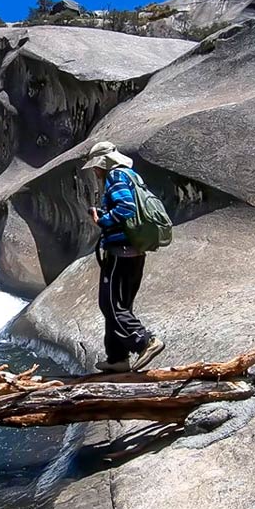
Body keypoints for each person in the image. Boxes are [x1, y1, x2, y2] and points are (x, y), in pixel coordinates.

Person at [82, 141, 166, 373]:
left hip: (121, 253)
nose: (96, 172)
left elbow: (125, 208)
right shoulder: (131, 175)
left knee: (110, 305)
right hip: (135, 250)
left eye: (96, 167)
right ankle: (117, 359)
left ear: (103, 164)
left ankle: (144, 341)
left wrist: (102, 220)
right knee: (119, 305)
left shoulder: (116, 177)